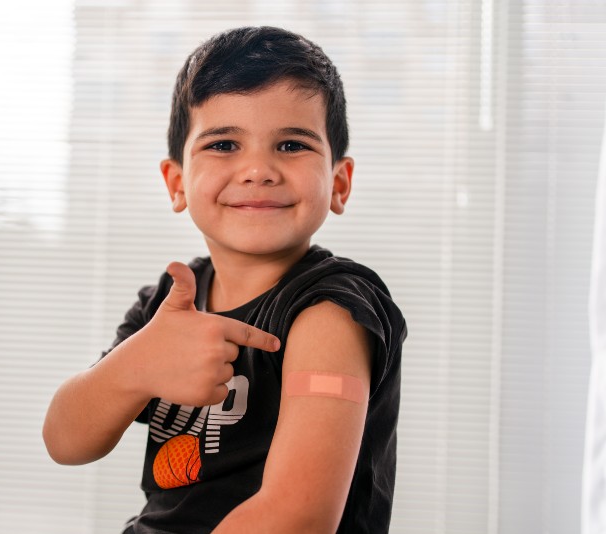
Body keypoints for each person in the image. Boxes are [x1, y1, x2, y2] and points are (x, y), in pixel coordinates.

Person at [43, 26, 408, 533]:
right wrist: (134, 367)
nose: (258, 169)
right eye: (223, 144)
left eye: (290, 144)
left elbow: (297, 518)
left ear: (339, 184)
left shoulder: (331, 311)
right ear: (177, 183)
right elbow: (66, 441)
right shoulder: (170, 305)